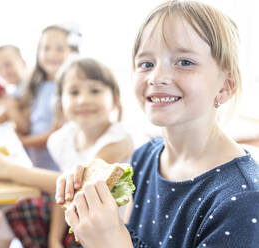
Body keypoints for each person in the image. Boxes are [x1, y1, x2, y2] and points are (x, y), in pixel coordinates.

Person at [55, 1, 259, 247]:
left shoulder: (243, 198)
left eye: (185, 62)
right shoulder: (145, 156)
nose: (157, 77)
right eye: (146, 64)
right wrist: (90, 206)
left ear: (226, 86)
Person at [0, 58, 134, 248]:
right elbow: (61, 196)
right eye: (74, 92)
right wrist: (54, 239)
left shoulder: (117, 140)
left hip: (104, 233)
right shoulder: (63, 139)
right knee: (10, 215)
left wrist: (9, 169)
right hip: (72, 217)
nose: (83, 99)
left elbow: (79, 188)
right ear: (61, 103)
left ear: (115, 100)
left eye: (95, 90)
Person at [0, 24, 82, 248]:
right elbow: (25, 123)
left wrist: (21, 141)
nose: (51, 54)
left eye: (59, 48)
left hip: (51, 178)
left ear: (72, 52)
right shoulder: (39, 85)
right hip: (34, 169)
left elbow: (53, 134)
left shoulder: (71, 89)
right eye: (46, 48)